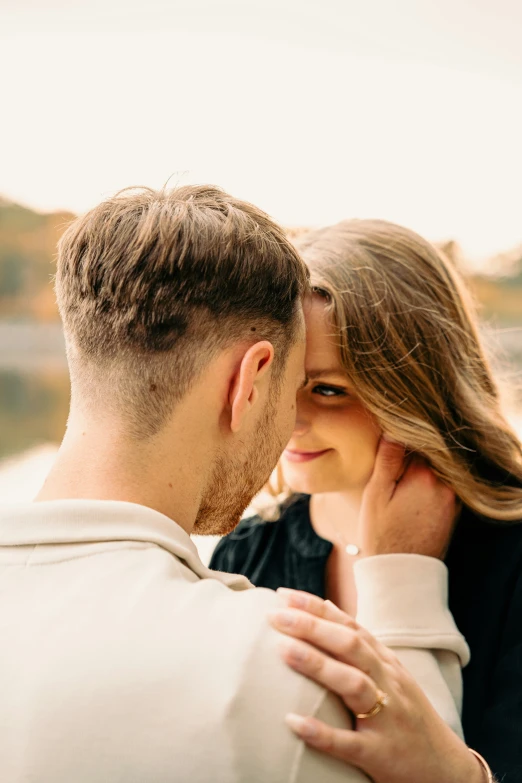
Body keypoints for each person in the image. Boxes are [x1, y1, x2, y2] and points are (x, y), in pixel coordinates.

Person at [0, 189, 476, 783]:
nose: (294, 423)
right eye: (292, 384)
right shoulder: (276, 648)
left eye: (325, 388)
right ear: (248, 381)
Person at [211, 217, 522, 782]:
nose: (288, 420)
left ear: (419, 391)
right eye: (278, 383)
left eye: (329, 390)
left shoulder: (514, 554)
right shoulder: (244, 554)